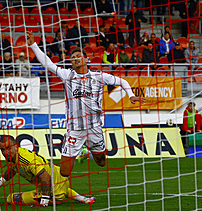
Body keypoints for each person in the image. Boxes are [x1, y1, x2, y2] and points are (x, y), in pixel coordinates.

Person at [26, 30, 145, 178]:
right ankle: (79, 150)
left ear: (86, 59)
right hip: (74, 130)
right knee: (64, 172)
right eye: (73, 58)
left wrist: (131, 95)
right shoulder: (67, 75)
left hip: (94, 128)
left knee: (101, 163)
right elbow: (48, 64)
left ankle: (86, 152)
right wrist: (33, 46)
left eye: (78, 56)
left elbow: (122, 81)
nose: (75, 59)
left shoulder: (99, 76)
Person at [0, 135, 95, 206]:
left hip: (54, 191)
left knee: (11, 198)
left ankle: (49, 199)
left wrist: (45, 200)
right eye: (2, 150)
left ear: (15, 146)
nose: (5, 152)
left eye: (8, 148)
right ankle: (84, 199)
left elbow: (46, 177)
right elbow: (11, 171)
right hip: (60, 178)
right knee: (62, 188)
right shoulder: (14, 156)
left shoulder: (25, 159)